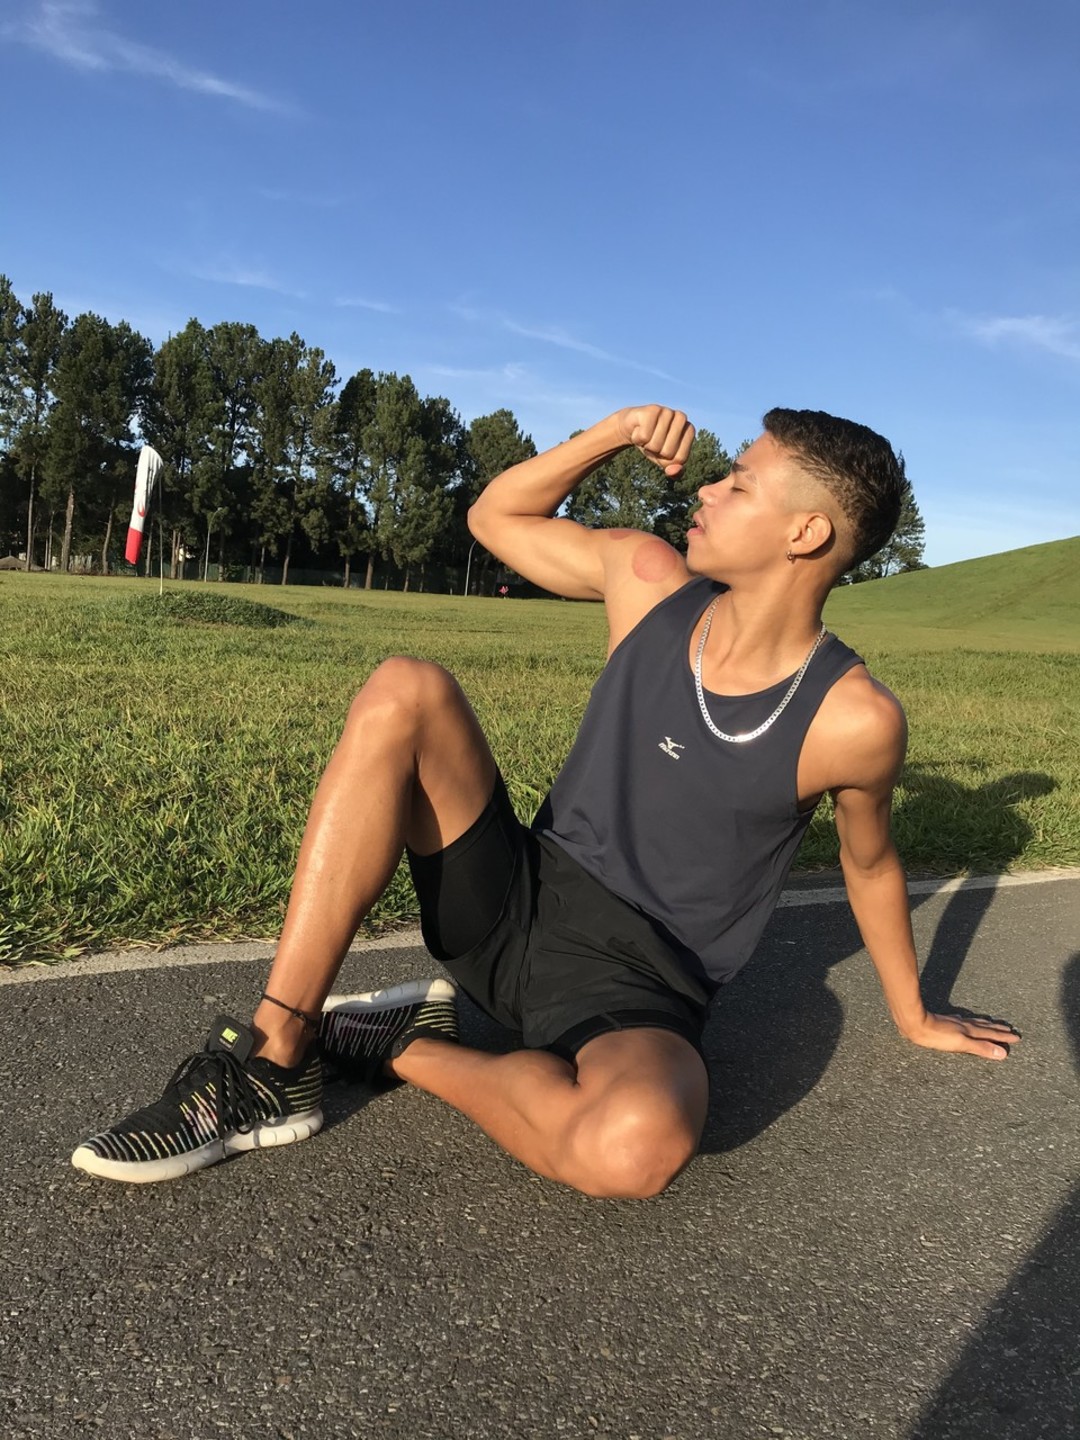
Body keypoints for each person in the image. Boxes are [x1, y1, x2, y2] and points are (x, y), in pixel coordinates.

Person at [72, 406, 1018, 1195]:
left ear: (805, 533)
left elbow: (870, 862)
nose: (706, 490)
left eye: (738, 484)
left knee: (636, 1146)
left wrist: (912, 1012)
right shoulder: (649, 584)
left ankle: (387, 1044)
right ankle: (276, 1055)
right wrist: (609, 434)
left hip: (640, 988)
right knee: (405, 688)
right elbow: (494, 517)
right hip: (511, 901)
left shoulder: (853, 719)